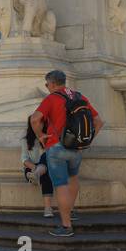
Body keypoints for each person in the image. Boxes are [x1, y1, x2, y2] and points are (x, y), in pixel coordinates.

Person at [30, 69, 102, 239]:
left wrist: (41, 136)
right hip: (77, 148)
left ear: (53, 83)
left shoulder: (52, 98)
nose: (47, 87)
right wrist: (87, 140)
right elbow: (99, 121)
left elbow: (34, 119)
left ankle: (66, 225)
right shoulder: (79, 97)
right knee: (73, 179)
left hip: (57, 147)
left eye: (47, 84)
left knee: (61, 185)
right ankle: (70, 212)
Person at [22, 116, 54, 218]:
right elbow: (24, 160)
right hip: (31, 168)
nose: (38, 125)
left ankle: (36, 175)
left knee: (45, 165)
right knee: (44, 172)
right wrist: (36, 168)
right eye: (34, 123)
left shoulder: (49, 137)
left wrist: (44, 142)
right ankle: (47, 209)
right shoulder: (26, 140)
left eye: (40, 123)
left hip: (46, 166)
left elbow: (51, 155)